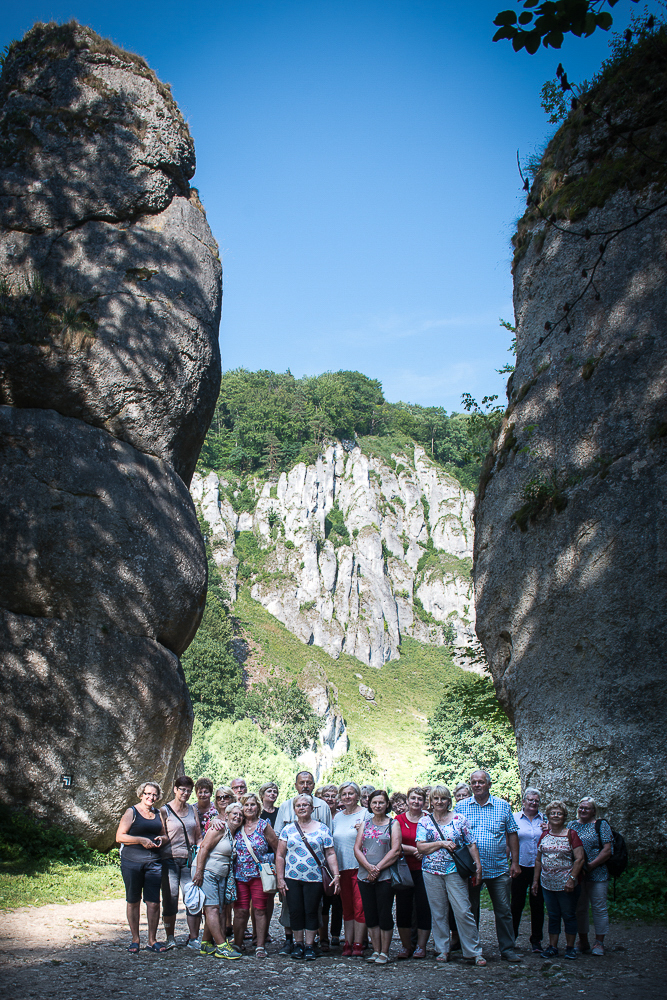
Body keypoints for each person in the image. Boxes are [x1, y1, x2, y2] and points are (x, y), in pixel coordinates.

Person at [456, 769, 522, 963]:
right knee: (470, 910)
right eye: (474, 782)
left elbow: (512, 833)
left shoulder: (503, 806)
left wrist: (515, 862)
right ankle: (472, 950)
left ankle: (507, 949)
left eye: (481, 782)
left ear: (489, 784)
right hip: (470, 869)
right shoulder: (461, 807)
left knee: (504, 910)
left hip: (498, 868)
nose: (477, 785)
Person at [416, 783, 486, 965]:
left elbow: (471, 843)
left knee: (463, 910)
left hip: (455, 871)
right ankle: (442, 949)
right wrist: (441, 843)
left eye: (443, 798)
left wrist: (478, 866)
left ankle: (473, 951)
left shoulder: (459, 819)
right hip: (431, 871)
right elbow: (421, 847)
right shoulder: (424, 821)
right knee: (438, 912)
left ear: (449, 801)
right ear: (431, 801)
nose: (439, 802)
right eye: (436, 798)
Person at [275, 793, 340, 961]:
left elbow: (330, 853)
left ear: (312, 808)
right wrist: (280, 879)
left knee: (312, 910)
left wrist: (336, 875)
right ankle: (298, 944)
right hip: (292, 877)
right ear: (294, 809)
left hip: (315, 878)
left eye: (305, 805)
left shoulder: (322, 829)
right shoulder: (288, 829)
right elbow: (280, 855)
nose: (302, 808)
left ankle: (310, 945)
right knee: (295, 911)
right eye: (298, 805)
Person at [116, 781, 168, 953]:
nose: (151, 797)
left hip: (153, 861)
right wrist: (140, 840)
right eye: (148, 793)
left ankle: (152, 940)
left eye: (154, 795)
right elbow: (120, 836)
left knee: (154, 902)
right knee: (133, 900)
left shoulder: (158, 813)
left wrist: (162, 839)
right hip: (132, 861)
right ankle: (135, 939)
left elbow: (164, 835)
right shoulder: (131, 812)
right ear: (141, 794)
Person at [532, 801, 585, 960]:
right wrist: (535, 881)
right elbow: (538, 860)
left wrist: (572, 879)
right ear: (547, 816)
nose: (555, 816)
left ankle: (570, 948)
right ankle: (552, 947)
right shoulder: (544, 835)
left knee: (568, 915)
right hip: (547, 884)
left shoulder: (571, 834)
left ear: (564, 816)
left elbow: (580, 859)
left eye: (559, 813)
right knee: (553, 915)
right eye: (552, 813)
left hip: (566, 884)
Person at [354, 789, 401, 965]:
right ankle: (375, 949)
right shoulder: (365, 824)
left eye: (381, 802)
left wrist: (377, 869)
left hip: (385, 875)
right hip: (364, 875)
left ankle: (385, 952)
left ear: (387, 804)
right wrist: (368, 868)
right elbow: (357, 848)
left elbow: (395, 850)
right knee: (370, 914)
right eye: (374, 802)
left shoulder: (393, 824)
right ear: (369, 804)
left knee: (384, 913)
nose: (378, 805)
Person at [192, 801, 243, 960]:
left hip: (220, 874)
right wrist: (199, 872)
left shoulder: (233, 832)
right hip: (207, 871)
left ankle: (206, 943)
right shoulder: (219, 828)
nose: (238, 817)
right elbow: (204, 848)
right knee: (212, 908)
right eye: (234, 814)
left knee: (217, 908)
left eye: (240, 815)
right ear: (226, 815)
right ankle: (222, 946)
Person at [233, 792, 279, 959]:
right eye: (246, 805)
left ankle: (260, 945)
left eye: (252, 804)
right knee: (240, 911)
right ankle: (238, 944)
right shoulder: (237, 825)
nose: (249, 808)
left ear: (258, 807)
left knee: (260, 910)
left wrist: (278, 871)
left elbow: (277, 848)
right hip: (239, 876)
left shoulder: (263, 825)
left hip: (260, 875)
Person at [160, 775, 202, 950]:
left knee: (193, 897)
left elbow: (198, 836)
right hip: (169, 860)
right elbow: (162, 835)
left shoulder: (192, 810)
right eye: (182, 789)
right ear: (175, 789)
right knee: (170, 899)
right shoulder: (165, 811)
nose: (185, 793)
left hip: (189, 861)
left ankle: (194, 938)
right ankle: (170, 937)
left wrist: (200, 854)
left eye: (189, 791)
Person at [568, 797, 613, 957]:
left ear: (594, 811)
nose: (583, 810)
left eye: (587, 808)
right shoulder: (572, 825)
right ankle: (583, 941)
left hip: (598, 873)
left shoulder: (601, 825)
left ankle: (599, 942)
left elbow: (607, 849)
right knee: (580, 908)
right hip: (578, 874)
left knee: (599, 907)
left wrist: (590, 866)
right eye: (581, 807)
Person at [332, 781, 370, 957]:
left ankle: (358, 943)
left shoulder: (365, 814)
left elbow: (374, 836)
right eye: (344, 794)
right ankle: (347, 941)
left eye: (351, 793)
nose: (347, 797)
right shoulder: (337, 817)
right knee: (346, 906)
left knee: (359, 906)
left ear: (358, 796)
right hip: (342, 867)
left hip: (359, 866)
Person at [395, 787, 432, 960]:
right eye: (413, 798)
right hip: (404, 869)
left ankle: (421, 947)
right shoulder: (399, 820)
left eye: (420, 799)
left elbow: (436, 840)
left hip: (425, 869)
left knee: (424, 908)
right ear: (407, 800)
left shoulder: (429, 819)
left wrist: (425, 850)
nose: (416, 802)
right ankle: (406, 946)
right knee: (403, 908)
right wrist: (415, 850)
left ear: (424, 802)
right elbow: (395, 843)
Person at [511, 787, 547, 953]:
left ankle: (536, 940)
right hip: (519, 865)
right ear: (523, 801)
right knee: (516, 904)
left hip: (539, 868)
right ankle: (511, 939)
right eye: (530, 800)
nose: (533, 803)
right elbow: (508, 841)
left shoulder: (545, 819)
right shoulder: (514, 818)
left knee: (538, 904)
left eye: (536, 800)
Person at [316, 784, 343, 950]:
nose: (330, 799)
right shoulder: (317, 816)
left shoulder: (342, 817)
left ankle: (335, 935)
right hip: (321, 865)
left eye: (333, 796)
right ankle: (323, 937)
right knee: (323, 902)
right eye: (327, 796)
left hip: (341, 863)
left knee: (338, 902)